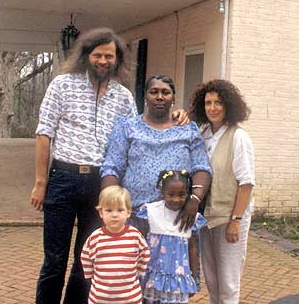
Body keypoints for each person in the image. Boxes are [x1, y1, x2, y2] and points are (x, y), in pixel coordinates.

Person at [30, 29, 188, 304]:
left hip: (100, 184)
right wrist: (40, 183)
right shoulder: (62, 85)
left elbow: (138, 131)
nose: (103, 61)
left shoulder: (124, 96)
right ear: (86, 55)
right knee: (54, 260)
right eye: (97, 55)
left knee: (87, 259)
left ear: (117, 60)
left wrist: (176, 114)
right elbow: (44, 134)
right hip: (63, 178)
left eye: (109, 56)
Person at [100, 74, 212, 234]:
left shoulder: (188, 130)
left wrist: (194, 199)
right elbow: (112, 168)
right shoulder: (127, 128)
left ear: (173, 98)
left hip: (177, 217)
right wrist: (112, 207)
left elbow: (202, 168)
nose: (160, 97)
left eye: (165, 92)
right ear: (145, 96)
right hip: (134, 216)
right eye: (154, 92)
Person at [189, 79, 255, 304]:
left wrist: (236, 220)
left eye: (218, 102)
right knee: (212, 279)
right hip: (207, 217)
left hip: (228, 219)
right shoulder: (203, 133)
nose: (213, 108)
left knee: (228, 281)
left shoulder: (239, 137)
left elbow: (246, 183)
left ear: (229, 105)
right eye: (208, 103)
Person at [137, 169, 206, 304]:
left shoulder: (189, 217)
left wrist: (193, 277)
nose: (176, 199)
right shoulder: (151, 212)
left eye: (181, 195)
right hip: (153, 275)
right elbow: (142, 242)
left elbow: (193, 248)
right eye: (171, 194)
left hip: (178, 278)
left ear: (188, 194)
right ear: (162, 192)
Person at [80, 185, 150, 304]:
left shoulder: (135, 236)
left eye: (120, 210)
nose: (114, 215)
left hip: (130, 297)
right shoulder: (95, 238)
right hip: (100, 297)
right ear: (101, 213)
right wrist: (91, 276)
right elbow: (85, 258)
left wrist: (138, 273)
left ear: (128, 212)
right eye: (109, 210)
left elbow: (145, 254)